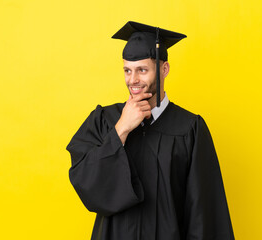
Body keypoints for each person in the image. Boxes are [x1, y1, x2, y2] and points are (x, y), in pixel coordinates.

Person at [66, 21, 235, 240]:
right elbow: (87, 183)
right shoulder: (105, 121)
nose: (133, 80)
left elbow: (203, 212)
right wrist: (121, 129)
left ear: (164, 69)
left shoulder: (189, 128)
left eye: (142, 70)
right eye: (127, 70)